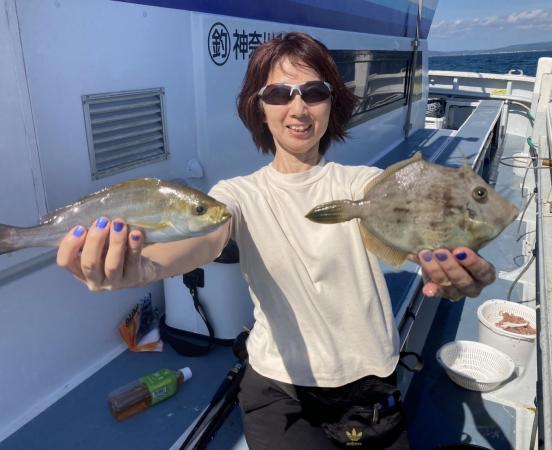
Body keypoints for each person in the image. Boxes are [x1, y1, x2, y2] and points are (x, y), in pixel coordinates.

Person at [57, 32, 496, 449]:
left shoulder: (364, 184)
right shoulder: (238, 194)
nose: (298, 108)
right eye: (279, 94)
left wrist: (462, 265)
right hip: (278, 393)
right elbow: (203, 239)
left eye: (314, 92)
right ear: (260, 108)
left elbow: (420, 227)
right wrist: (144, 266)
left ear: (332, 102)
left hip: (368, 389)